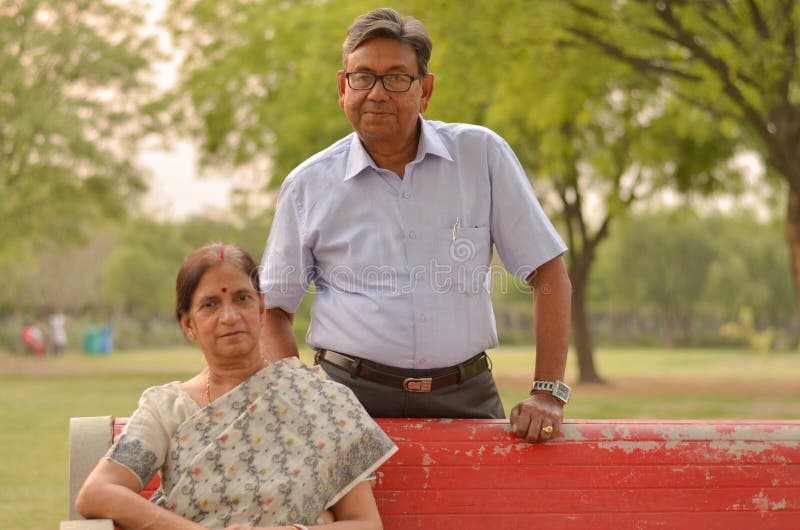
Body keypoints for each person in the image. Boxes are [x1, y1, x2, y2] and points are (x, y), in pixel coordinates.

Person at [260, 8, 572, 444]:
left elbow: (548, 272)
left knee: (483, 513)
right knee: (354, 516)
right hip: (346, 400)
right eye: (363, 77)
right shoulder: (308, 185)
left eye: (396, 78)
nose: (377, 93)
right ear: (341, 87)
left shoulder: (481, 156)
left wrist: (548, 392)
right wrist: (298, 397)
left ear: (425, 90)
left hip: (467, 396)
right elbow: (273, 308)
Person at [76, 243, 396, 530]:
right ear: (188, 324)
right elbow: (97, 493)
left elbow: (366, 524)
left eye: (242, 299)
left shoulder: (324, 400)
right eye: (210, 305)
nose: (229, 316)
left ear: (260, 309)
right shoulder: (167, 409)